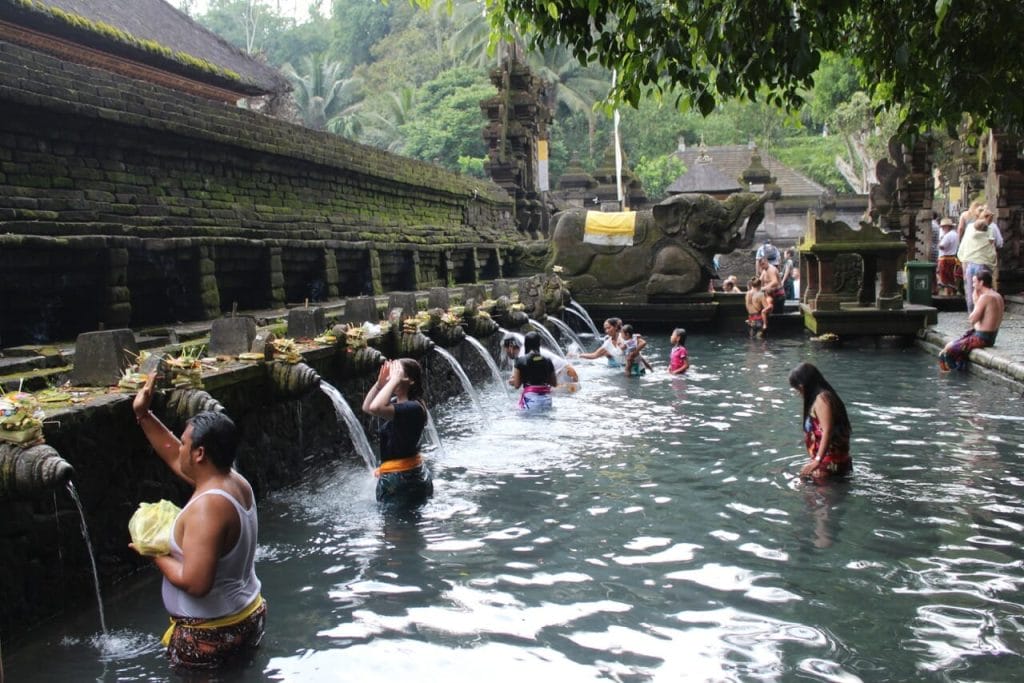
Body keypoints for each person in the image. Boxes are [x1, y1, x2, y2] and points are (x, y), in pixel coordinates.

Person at [132, 374, 266, 671]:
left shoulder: (208, 508)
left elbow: (196, 583)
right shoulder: (233, 481)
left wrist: (152, 551)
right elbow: (172, 454)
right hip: (244, 614)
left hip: (211, 634)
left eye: (184, 443)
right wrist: (143, 413)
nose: (179, 447)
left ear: (200, 453)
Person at [362, 358, 433, 505]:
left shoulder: (413, 407)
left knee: (394, 526)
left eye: (397, 372)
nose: (391, 376)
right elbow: (368, 407)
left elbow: (376, 407)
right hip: (402, 476)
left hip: (403, 480)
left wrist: (393, 381)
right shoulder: (401, 404)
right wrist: (379, 385)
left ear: (410, 380)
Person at [788, 362, 852, 482]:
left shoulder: (822, 399)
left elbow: (827, 431)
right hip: (831, 460)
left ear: (802, 386)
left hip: (828, 462)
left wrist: (817, 461)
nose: (798, 392)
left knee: (817, 497)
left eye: (797, 388)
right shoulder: (826, 397)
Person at [939, 269, 1004, 371]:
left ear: (981, 282)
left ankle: (953, 378)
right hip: (991, 337)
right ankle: (959, 370)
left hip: (982, 338)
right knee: (951, 348)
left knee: (946, 352)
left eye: (974, 282)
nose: (973, 285)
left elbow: (972, 320)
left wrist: (975, 301)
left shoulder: (985, 297)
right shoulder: (997, 295)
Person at [957, 207, 1002, 314]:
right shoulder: (992, 228)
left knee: (970, 292)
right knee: (984, 291)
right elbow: (999, 243)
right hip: (984, 264)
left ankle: (972, 316)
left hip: (969, 263)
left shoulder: (969, 228)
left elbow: (964, 247)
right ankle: (984, 315)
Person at [502, 335, 579, 392]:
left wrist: (515, 380)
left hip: (564, 373)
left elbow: (519, 381)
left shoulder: (523, 355)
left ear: (511, 347)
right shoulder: (522, 354)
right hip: (567, 371)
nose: (505, 352)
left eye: (505, 349)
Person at [509, 331, 557, 410]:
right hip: (547, 399)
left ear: (526, 345)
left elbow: (517, 385)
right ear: (539, 344)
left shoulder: (520, 361)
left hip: (530, 399)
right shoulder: (548, 360)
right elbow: (554, 383)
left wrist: (512, 381)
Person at [935, 217, 960, 296]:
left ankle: (948, 294)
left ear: (947, 226)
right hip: (952, 258)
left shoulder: (948, 235)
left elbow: (942, 246)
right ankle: (952, 293)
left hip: (945, 259)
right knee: (951, 278)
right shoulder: (955, 234)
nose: (942, 229)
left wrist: (938, 243)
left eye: (943, 227)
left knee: (946, 279)